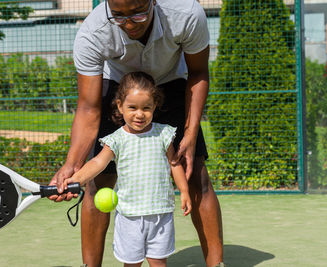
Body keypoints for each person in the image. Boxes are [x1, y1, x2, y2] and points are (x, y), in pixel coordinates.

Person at [49, 0, 224, 266]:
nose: (129, 23)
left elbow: (199, 72)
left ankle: (216, 264)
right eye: (118, 16)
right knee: (98, 182)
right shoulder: (93, 32)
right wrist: (72, 165)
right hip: (118, 84)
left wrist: (189, 132)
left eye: (138, 13)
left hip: (172, 82)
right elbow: (88, 108)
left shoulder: (186, 14)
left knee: (195, 174)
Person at [63, 71, 192, 267]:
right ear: (120, 106)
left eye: (146, 108)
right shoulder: (116, 139)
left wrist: (184, 191)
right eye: (132, 107)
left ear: (155, 106)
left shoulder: (163, 133)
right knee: (132, 263)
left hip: (161, 214)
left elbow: (174, 163)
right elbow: (98, 162)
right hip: (129, 217)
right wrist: (76, 179)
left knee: (159, 263)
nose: (140, 114)